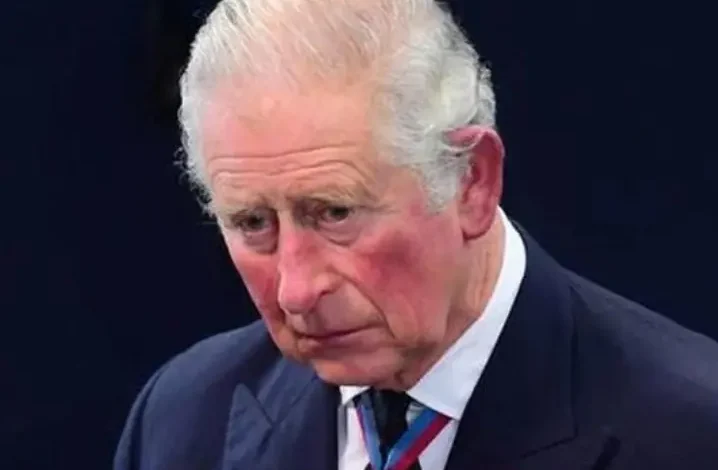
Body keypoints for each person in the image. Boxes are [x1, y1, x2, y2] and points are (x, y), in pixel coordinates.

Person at [114, 1, 718, 469]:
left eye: (336, 213)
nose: (296, 290)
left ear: (471, 181)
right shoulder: (182, 421)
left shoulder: (690, 435)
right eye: (253, 223)